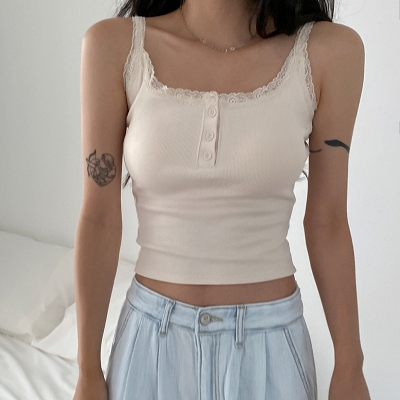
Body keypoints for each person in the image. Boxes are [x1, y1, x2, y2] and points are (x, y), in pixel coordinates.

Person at [73, 0, 370, 399]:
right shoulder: (113, 46)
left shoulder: (329, 51)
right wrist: (87, 370)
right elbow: (99, 219)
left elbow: (328, 222)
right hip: (149, 348)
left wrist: (350, 366)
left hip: (271, 350)